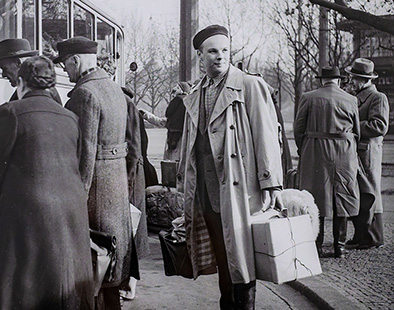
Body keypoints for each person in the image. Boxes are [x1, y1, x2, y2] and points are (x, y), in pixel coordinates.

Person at [177, 24, 283, 309]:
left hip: (240, 189)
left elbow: (266, 135)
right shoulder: (197, 92)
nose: (220, 57)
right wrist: (182, 185)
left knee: (243, 258)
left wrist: (270, 180)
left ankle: (244, 305)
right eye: (212, 51)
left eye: (225, 50)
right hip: (207, 194)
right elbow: (190, 145)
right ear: (201, 56)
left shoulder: (249, 84)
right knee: (224, 258)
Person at [0, 56, 94, 310]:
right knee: (60, 283)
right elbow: (77, 161)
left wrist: (0, 204)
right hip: (70, 211)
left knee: (21, 286)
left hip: (25, 212)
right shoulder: (69, 117)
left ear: (21, 83)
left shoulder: (10, 112)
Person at [53, 36, 132, 310]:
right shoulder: (112, 88)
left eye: (65, 65)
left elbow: (84, 154)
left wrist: (75, 202)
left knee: (95, 257)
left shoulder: (85, 94)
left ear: (75, 60)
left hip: (96, 188)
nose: (65, 71)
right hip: (115, 185)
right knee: (112, 259)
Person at [294, 66, 360, 258]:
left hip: (315, 150)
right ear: (338, 80)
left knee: (315, 196)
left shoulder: (308, 97)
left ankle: (316, 244)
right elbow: (357, 131)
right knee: (343, 194)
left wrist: (304, 148)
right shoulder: (351, 99)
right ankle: (339, 246)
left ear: (321, 80)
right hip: (344, 151)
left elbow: (299, 129)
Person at [345, 58, 389, 249]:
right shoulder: (358, 96)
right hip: (358, 152)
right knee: (358, 194)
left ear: (364, 79)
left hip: (368, 153)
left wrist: (353, 127)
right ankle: (361, 234)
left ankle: (373, 237)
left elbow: (380, 126)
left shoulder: (378, 98)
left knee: (370, 194)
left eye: (354, 78)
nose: (351, 81)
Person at [120, 87, 149, 300]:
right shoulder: (131, 106)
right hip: (133, 174)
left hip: (129, 175)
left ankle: (129, 284)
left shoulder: (126, 106)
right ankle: (129, 283)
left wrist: (127, 179)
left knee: (131, 227)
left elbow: (134, 148)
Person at [0, 38, 62, 104]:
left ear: (18, 63)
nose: (3, 75)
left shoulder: (37, 94)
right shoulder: (44, 91)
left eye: (4, 69)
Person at [140, 82, 190, 161]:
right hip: (174, 146)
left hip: (179, 148)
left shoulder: (185, 118)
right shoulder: (174, 121)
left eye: (177, 88)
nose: (174, 90)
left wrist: (146, 115)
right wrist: (146, 115)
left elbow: (162, 122)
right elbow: (162, 122)